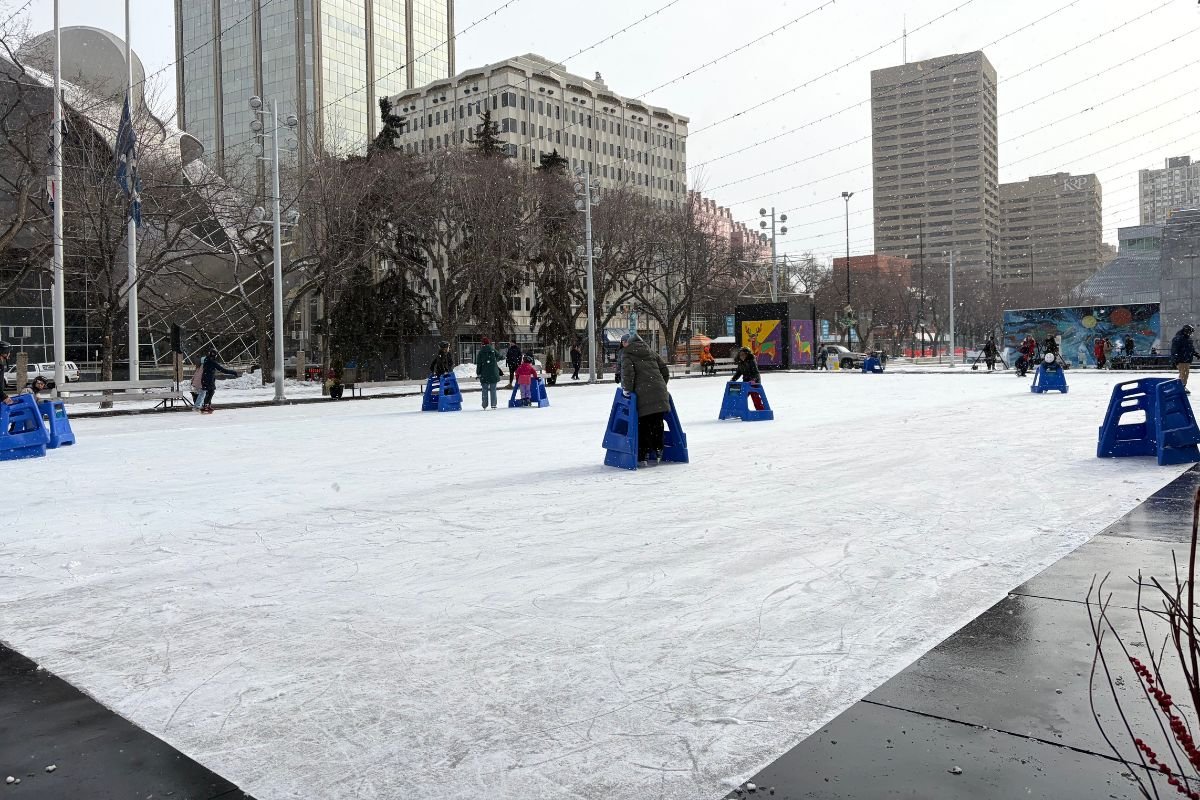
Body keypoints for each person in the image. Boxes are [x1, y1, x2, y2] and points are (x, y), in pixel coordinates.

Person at [620, 333, 671, 466]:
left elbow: (628, 375)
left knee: (643, 424)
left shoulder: (627, 354)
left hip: (643, 394)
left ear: (628, 343)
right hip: (659, 392)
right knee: (657, 421)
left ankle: (643, 454)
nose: (622, 345)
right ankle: (659, 449)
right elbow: (665, 371)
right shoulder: (651, 351)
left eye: (623, 342)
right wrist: (660, 386)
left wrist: (627, 390)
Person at [198, 348, 239, 414]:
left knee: (209, 392)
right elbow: (222, 370)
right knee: (210, 392)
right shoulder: (212, 362)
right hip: (208, 379)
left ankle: (207, 405)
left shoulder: (207, 360)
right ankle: (205, 405)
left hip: (206, 378)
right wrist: (233, 372)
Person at [474, 337, 501, 410]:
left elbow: (479, 364)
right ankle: (493, 405)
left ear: (482, 344)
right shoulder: (493, 350)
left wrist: (478, 373)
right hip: (493, 373)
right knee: (493, 389)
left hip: (484, 373)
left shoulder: (481, 352)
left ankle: (484, 404)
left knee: (484, 389)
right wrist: (494, 361)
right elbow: (500, 356)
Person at [1171, 324, 1196, 393]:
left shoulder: (1188, 339)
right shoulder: (1178, 338)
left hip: (1187, 359)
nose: (1190, 333)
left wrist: (1196, 354)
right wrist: (1175, 359)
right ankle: (1180, 387)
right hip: (1180, 359)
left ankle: (1183, 386)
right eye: (1190, 332)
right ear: (1186, 331)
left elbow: (1191, 349)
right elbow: (1174, 350)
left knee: (1186, 373)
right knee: (1182, 373)